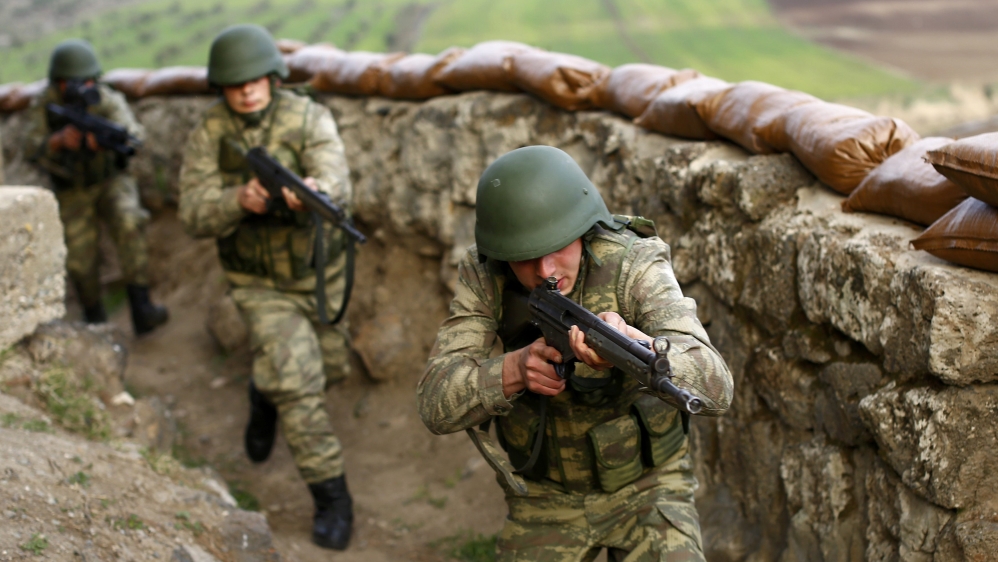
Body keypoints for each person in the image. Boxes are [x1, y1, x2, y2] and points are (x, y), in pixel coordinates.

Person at [418, 145, 733, 561]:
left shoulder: (632, 262)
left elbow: (716, 386)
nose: (546, 271)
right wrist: (514, 369)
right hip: (546, 496)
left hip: (648, 489)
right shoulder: (485, 272)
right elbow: (435, 402)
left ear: (584, 228)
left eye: (559, 247)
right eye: (526, 257)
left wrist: (639, 347)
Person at [177, 24, 355, 550]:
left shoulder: (308, 117)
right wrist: (240, 200)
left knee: (329, 368)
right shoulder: (210, 132)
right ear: (222, 88)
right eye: (235, 84)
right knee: (299, 385)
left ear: (274, 77)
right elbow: (191, 210)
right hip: (258, 285)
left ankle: (262, 391)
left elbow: (337, 179)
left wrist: (317, 191)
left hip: (318, 275)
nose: (248, 90)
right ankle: (333, 499)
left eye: (256, 79)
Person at [24, 38, 168, 335]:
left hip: (110, 178)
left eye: (89, 81)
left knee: (130, 220)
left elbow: (132, 133)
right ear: (59, 83)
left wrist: (102, 143)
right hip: (72, 187)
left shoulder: (105, 99)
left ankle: (142, 307)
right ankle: (95, 319)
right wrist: (58, 141)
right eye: (75, 82)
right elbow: (29, 146)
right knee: (79, 256)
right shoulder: (45, 103)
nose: (83, 88)